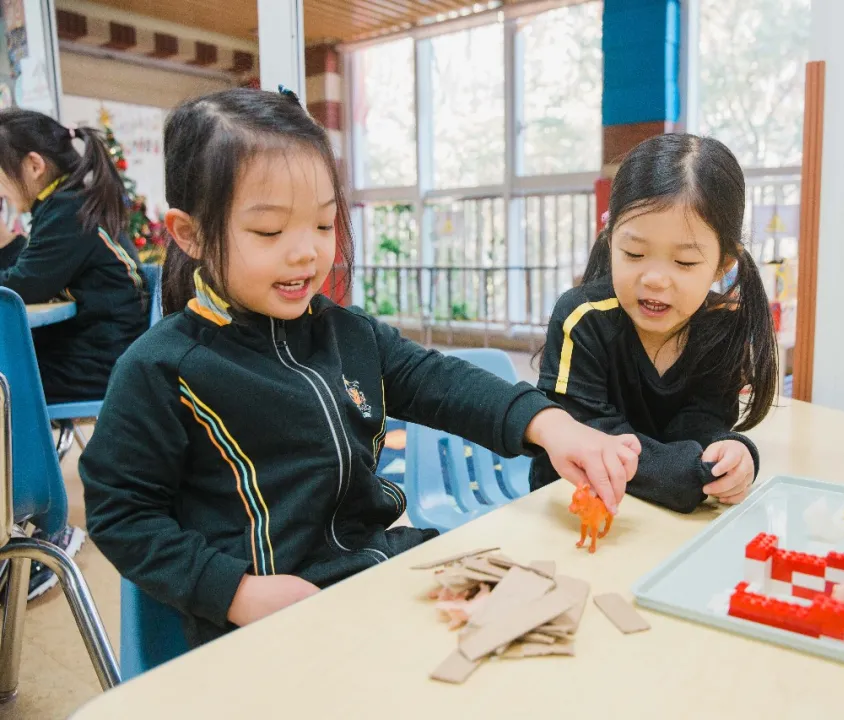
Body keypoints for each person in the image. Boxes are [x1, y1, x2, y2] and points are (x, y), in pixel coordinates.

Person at [79, 87, 639, 648]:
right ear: (190, 234)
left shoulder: (347, 333)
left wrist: (550, 424)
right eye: (270, 231)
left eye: (324, 225)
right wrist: (234, 591)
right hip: (270, 617)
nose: (306, 252)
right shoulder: (162, 368)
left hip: (376, 571)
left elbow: (440, 381)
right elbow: (120, 512)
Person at [529, 133, 778, 514]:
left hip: (662, 518)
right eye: (634, 253)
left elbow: (702, 426)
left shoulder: (722, 327)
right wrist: (688, 475)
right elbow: (590, 436)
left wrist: (730, 455)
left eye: (684, 262)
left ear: (723, 264)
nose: (656, 279)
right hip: (572, 510)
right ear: (611, 241)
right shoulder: (582, 318)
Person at [0, 108, 148, 600]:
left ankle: (43, 532)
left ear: (33, 165)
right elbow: (31, 269)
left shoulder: (65, 210)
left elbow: (24, 285)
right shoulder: (68, 203)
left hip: (102, 360)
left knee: (9, 384)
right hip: (106, 348)